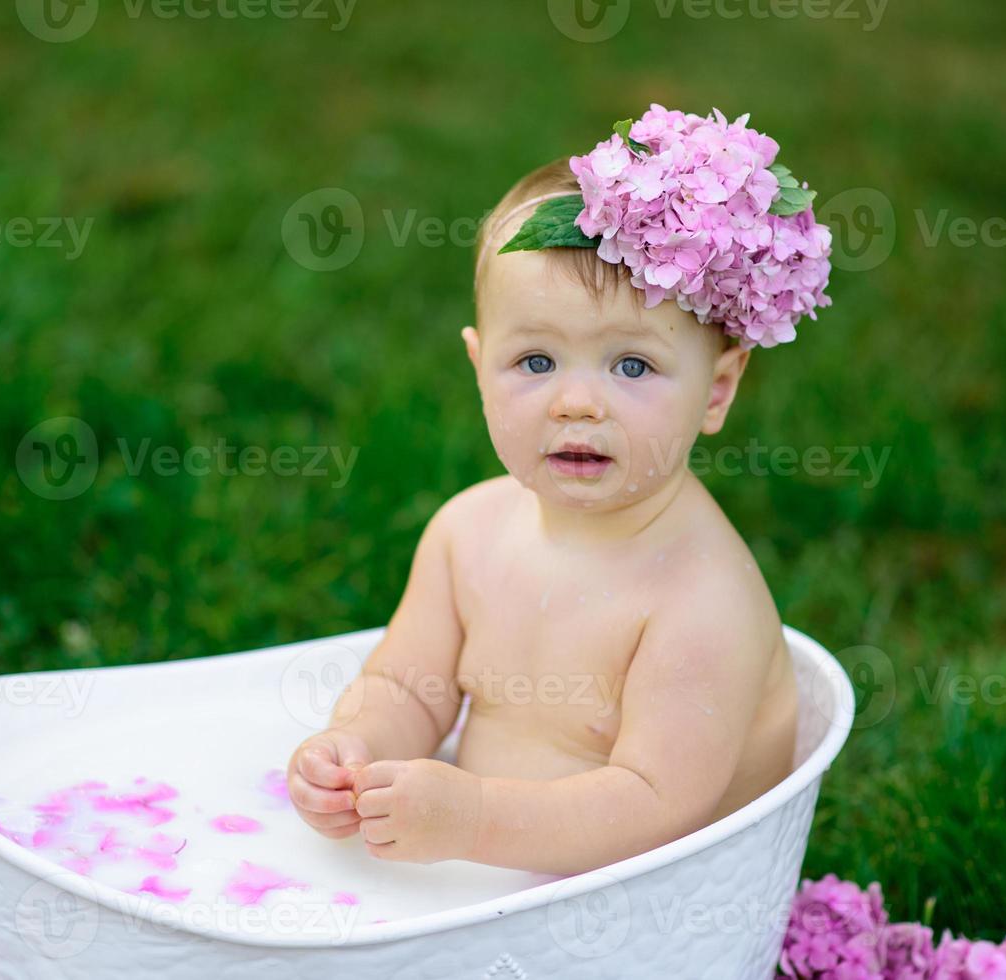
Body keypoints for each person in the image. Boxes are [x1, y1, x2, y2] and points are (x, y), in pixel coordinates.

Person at [287, 105, 832, 876]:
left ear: (717, 390)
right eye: (536, 362)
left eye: (632, 366)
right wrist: (355, 750)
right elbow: (409, 688)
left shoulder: (700, 600)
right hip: (472, 877)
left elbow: (658, 807)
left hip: (638, 915)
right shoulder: (466, 533)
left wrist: (473, 821)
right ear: (479, 368)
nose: (577, 403)